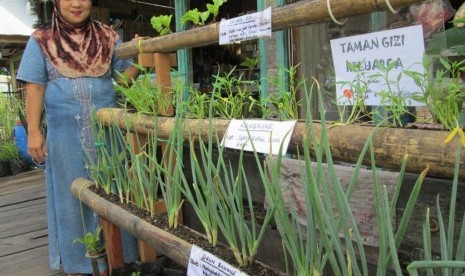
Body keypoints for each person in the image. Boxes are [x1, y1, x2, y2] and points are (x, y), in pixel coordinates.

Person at [16, 0, 139, 275]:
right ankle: (81, 265)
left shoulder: (108, 37)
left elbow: (124, 79)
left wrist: (141, 57)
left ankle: (118, 260)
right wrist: (34, 133)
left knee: (115, 194)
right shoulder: (41, 40)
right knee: (71, 199)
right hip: (66, 140)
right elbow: (34, 89)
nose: (77, 3)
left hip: (109, 140)